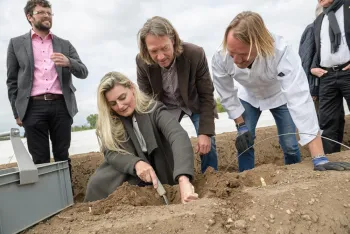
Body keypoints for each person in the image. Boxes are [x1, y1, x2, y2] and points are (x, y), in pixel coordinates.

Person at [212, 11, 350, 172]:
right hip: (249, 96)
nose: (235, 61)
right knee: (245, 141)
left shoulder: (281, 51)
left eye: (242, 55)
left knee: (290, 144)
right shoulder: (220, 56)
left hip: (279, 96)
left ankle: (292, 174)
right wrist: (241, 125)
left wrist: (319, 157)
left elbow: (299, 98)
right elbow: (226, 93)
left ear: (259, 44)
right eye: (232, 54)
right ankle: (246, 176)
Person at [84, 72, 198, 203]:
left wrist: (183, 179)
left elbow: (177, 135)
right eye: (113, 103)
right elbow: (110, 152)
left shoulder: (155, 110)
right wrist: (136, 163)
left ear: (132, 88)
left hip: (160, 167)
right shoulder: (110, 122)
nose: (120, 106)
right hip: (131, 170)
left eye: (122, 97)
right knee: (97, 182)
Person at [6, 0, 88, 177]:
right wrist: (16, 112)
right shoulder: (15, 44)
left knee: (62, 156)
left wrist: (69, 62)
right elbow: (12, 81)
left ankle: (67, 198)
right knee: (39, 158)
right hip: (32, 108)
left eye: (49, 13)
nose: (46, 16)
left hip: (61, 106)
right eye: (41, 12)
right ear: (29, 17)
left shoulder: (64, 44)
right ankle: (46, 201)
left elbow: (83, 71)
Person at [136, 16, 218, 173]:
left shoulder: (195, 54)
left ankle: (211, 177)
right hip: (164, 106)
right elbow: (146, 101)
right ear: (146, 49)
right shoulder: (142, 62)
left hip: (193, 103)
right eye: (153, 51)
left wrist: (205, 133)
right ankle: (175, 178)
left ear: (173, 40)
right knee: (163, 143)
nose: (160, 57)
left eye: (165, 48)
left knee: (208, 143)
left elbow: (206, 95)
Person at [310, 0, 350, 154]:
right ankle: (332, 159)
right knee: (327, 120)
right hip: (326, 75)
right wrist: (314, 66)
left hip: (348, 71)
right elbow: (318, 47)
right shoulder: (320, 19)